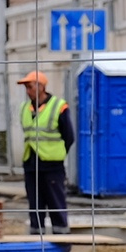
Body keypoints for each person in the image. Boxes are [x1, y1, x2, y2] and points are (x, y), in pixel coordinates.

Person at [17, 70, 76, 236]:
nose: (27, 91)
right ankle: (36, 238)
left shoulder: (59, 106)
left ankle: (61, 238)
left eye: (30, 87)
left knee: (56, 201)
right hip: (31, 163)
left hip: (52, 165)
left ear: (41, 87)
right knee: (35, 203)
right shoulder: (24, 108)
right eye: (26, 88)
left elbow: (69, 136)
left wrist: (56, 154)